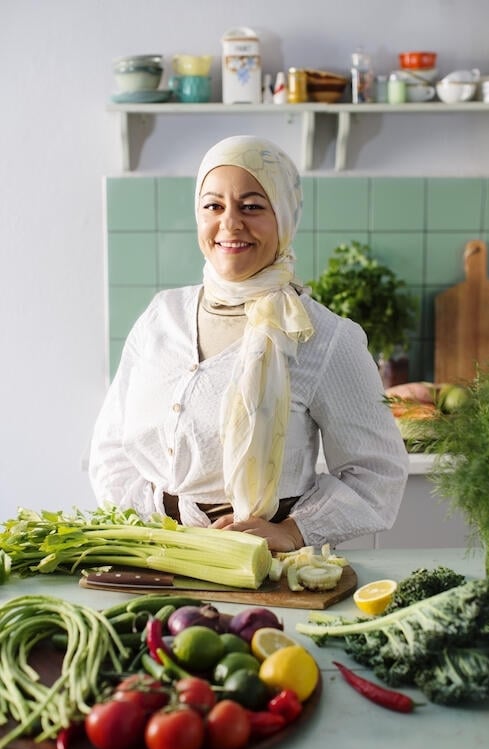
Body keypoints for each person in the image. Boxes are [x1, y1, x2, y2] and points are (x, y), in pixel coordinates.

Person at [89, 135, 408, 552]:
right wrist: (145, 531)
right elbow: (112, 447)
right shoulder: (161, 316)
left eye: (252, 206)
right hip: (154, 553)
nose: (230, 223)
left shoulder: (324, 337)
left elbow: (378, 473)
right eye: (213, 206)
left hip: (263, 564)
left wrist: (293, 531)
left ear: (285, 217)